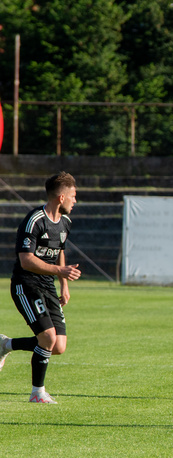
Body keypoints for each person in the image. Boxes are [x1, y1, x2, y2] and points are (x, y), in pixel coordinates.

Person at [0, 172, 81, 403]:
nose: (75, 201)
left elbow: (60, 252)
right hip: (26, 284)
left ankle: (5, 344)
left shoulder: (65, 222)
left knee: (58, 346)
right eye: (73, 196)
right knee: (47, 337)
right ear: (61, 197)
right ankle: (37, 393)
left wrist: (64, 284)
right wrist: (60, 272)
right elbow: (26, 260)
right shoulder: (34, 220)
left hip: (48, 285)